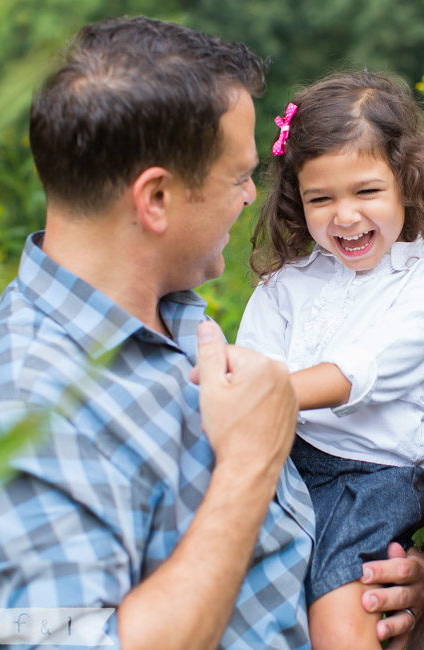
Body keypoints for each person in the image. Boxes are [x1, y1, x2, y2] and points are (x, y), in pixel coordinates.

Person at [0, 18, 422, 650]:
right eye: (237, 177)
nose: (254, 196)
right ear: (157, 199)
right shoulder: (31, 404)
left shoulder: (176, 313)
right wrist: (248, 468)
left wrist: (388, 593)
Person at [237, 70, 424, 650]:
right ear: (298, 198)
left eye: (366, 191)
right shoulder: (286, 284)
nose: (343, 216)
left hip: (368, 478)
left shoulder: (416, 280)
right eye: (321, 198)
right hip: (286, 456)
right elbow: (253, 360)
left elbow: (367, 368)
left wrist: (268, 392)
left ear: (407, 184)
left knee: (341, 616)